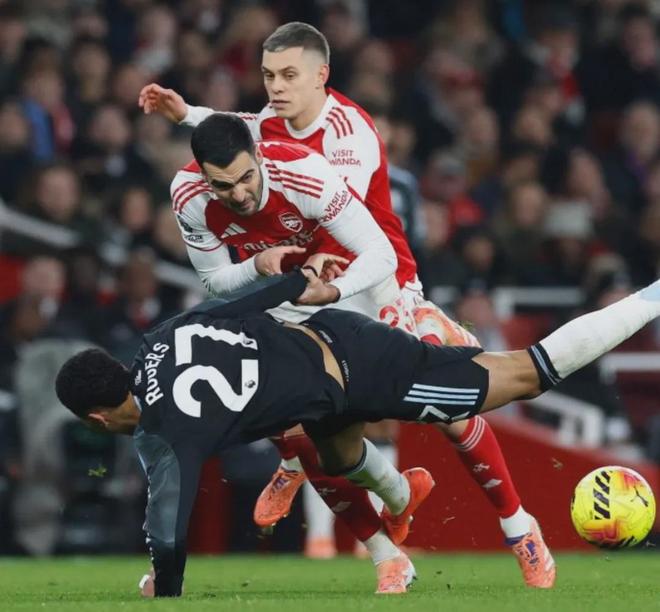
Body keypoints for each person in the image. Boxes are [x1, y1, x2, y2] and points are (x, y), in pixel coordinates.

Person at [138, 22, 553, 585]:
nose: (275, 87)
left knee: (451, 406)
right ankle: (341, 507)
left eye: (288, 75)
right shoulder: (265, 126)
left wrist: (307, 273)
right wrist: (186, 113)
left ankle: (519, 526)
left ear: (321, 76)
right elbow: (236, 131)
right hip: (307, 280)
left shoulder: (347, 133)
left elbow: (348, 230)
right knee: (299, 409)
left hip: (372, 277)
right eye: (268, 75)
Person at [56, 256, 660, 596]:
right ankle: (402, 493)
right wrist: (299, 283)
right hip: (324, 360)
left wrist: (164, 586)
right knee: (338, 458)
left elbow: (167, 526)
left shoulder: (164, 434)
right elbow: (232, 305)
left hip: (363, 371)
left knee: (527, 375)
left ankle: (653, 295)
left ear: (97, 417)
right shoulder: (162, 335)